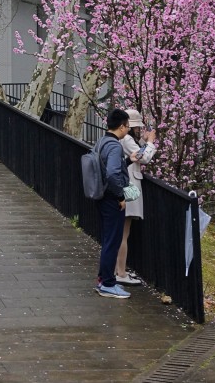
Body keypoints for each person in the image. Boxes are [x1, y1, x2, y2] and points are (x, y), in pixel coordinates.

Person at [115, 109, 156, 287]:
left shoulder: (124, 139)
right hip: (129, 188)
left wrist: (145, 142)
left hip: (126, 187)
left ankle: (118, 270)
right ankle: (121, 272)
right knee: (124, 233)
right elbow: (143, 157)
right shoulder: (127, 139)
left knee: (121, 233)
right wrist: (151, 143)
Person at [94, 109, 132, 299]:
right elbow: (112, 173)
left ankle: (103, 279)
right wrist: (120, 197)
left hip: (100, 196)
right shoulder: (115, 146)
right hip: (111, 199)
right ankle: (108, 283)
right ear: (121, 126)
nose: (128, 130)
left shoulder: (101, 142)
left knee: (108, 239)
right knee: (112, 241)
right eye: (127, 126)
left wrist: (127, 161)